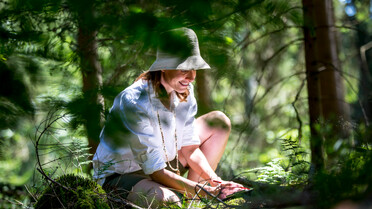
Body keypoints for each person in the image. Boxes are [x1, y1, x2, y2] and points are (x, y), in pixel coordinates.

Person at [93, 28, 245, 207]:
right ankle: (194, 195)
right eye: (183, 68)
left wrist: (216, 181)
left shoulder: (184, 91)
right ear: (163, 66)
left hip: (166, 165)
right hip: (123, 176)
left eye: (194, 68)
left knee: (219, 122)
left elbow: (190, 149)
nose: (191, 76)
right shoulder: (134, 101)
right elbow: (156, 171)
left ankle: (193, 201)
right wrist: (202, 190)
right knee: (168, 202)